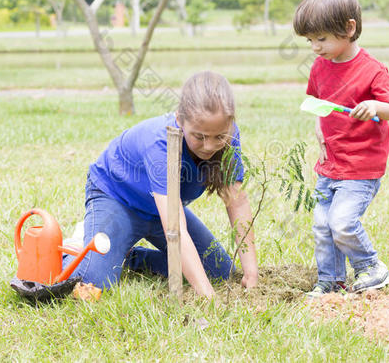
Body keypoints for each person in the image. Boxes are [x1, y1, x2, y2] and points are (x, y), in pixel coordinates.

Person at [64, 71, 258, 298]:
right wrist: (207, 297)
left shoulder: (230, 137)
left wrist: (251, 272)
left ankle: (129, 257)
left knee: (220, 273)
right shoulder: (161, 143)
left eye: (219, 137)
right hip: (117, 199)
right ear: (179, 119)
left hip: (161, 208)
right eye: (199, 136)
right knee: (93, 281)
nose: (209, 146)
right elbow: (175, 229)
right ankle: (78, 246)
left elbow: (237, 202)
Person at [293, 0, 389, 296]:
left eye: (321, 38)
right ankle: (331, 281)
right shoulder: (319, 66)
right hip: (330, 164)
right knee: (323, 227)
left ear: (349, 28)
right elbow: (319, 102)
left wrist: (375, 106)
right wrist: (318, 125)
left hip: (361, 166)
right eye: (310, 39)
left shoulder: (372, 71)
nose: (314, 46)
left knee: (342, 222)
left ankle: (371, 267)